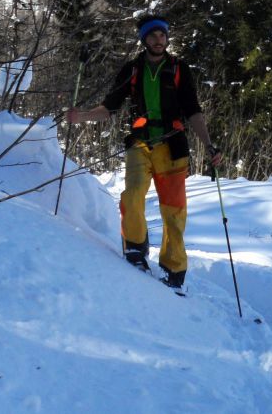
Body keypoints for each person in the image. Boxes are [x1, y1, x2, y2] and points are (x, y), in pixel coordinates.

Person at [67, 15, 222, 292]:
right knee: (133, 195)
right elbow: (110, 107)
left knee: (174, 211)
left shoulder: (178, 69)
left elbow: (193, 111)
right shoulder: (132, 70)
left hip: (173, 147)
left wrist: (209, 144)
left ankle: (174, 270)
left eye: (162, 35)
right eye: (153, 36)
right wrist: (82, 116)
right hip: (140, 144)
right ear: (144, 40)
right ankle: (136, 250)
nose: (158, 40)